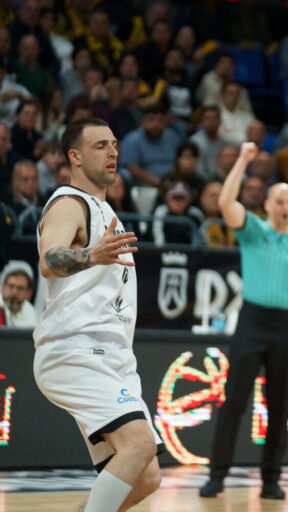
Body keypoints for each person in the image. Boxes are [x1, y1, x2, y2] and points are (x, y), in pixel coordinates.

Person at [33, 117, 163, 512]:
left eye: (114, 144)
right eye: (100, 146)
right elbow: (48, 260)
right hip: (76, 348)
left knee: (147, 477)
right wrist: (90, 254)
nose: (113, 152)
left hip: (114, 358)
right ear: (74, 156)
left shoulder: (106, 211)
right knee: (138, 443)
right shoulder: (69, 203)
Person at [200, 143, 288, 500]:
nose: (285, 206)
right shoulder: (253, 229)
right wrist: (242, 159)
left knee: (280, 408)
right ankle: (217, 475)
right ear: (268, 205)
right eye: (279, 201)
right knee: (234, 402)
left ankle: (270, 480)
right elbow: (226, 204)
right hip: (252, 322)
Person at [0, 260, 37, 328]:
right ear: (3, 287)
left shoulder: (30, 311)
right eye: (11, 286)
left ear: (29, 293)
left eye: (20, 288)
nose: (14, 292)